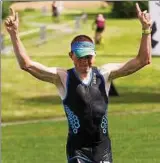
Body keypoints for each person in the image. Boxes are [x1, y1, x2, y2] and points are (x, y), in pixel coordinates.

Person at [4, 3, 152, 163]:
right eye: (80, 56)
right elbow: (27, 64)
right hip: (77, 150)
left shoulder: (105, 74)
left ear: (94, 55)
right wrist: (14, 34)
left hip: (103, 149)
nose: (85, 61)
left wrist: (146, 30)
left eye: (88, 56)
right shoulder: (62, 78)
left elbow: (143, 60)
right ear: (71, 56)